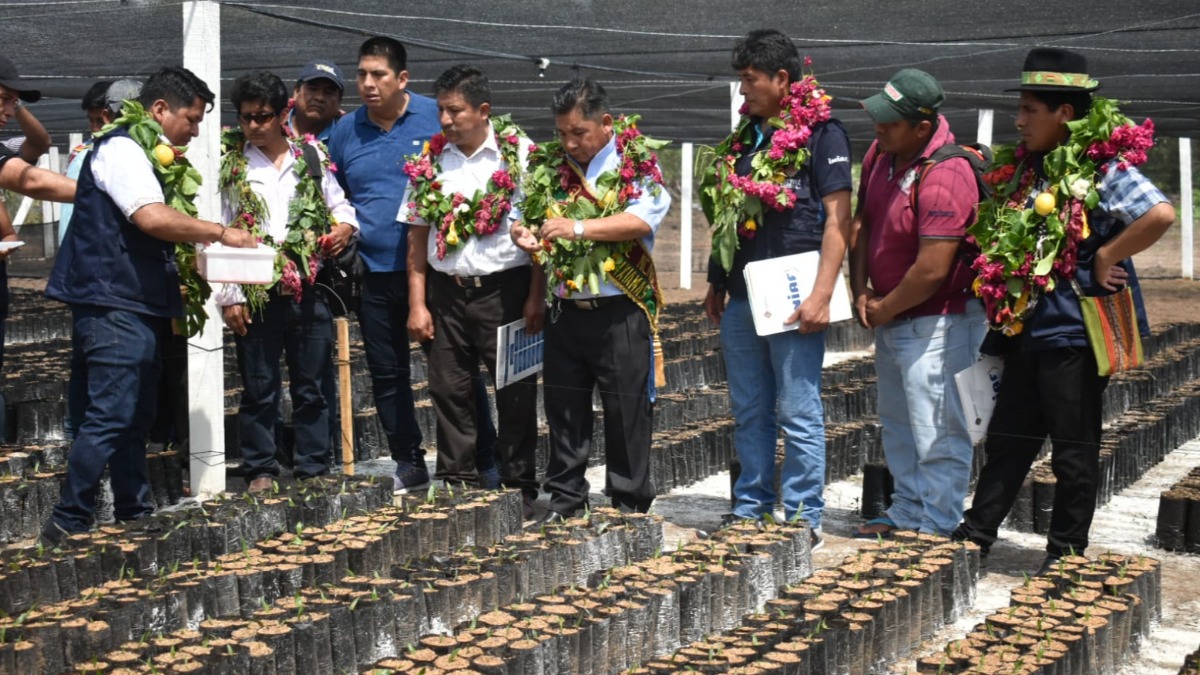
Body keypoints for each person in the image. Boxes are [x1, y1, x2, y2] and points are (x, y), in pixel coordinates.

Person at [953, 48, 1175, 574]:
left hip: (1075, 332)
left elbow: (1160, 212)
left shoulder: (1100, 167)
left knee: (1073, 445)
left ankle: (1067, 550)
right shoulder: (1028, 171)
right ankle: (977, 532)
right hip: (1027, 326)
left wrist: (1106, 254)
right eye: (1021, 109)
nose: (1020, 120)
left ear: (1065, 114)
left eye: (1031, 109)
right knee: (1009, 436)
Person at [40, 66, 257, 545]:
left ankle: (133, 508)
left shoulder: (143, 153)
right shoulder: (121, 149)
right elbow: (150, 216)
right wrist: (220, 232)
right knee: (110, 414)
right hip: (111, 299)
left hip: (133, 301)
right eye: (192, 118)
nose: (196, 130)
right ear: (160, 110)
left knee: (135, 414)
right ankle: (67, 521)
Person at [702, 30, 852, 546]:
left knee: (798, 408)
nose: (743, 93)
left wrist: (823, 294)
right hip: (744, 294)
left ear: (782, 79)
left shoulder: (823, 135)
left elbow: (838, 222)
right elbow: (729, 214)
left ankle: (806, 516)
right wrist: (715, 280)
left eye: (750, 81)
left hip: (793, 294)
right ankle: (751, 507)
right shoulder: (745, 139)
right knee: (749, 407)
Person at [511, 78, 671, 522]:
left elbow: (640, 220)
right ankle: (565, 499)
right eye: (562, 132)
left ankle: (628, 501)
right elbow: (521, 218)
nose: (570, 142)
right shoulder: (548, 166)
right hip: (565, 310)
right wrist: (521, 234)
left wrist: (576, 227)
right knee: (564, 408)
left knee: (626, 409)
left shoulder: (636, 164)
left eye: (578, 133)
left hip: (619, 308)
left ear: (605, 123)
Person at [849, 69, 986, 538]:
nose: (878, 129)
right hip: (893, 314)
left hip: (939, 320)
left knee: (938, 426)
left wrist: (884, 308)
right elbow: (863, 224)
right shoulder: (880, 155)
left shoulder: (947, 171)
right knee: (900, 422)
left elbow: (932, 269)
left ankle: (938, 521)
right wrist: (860, 289)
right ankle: (907, 509)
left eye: (890, 122)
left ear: (922, 128)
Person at [403, 65, 541, 514]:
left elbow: (541, 232)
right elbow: (417, 235)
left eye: (454, 110)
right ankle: (457, 480)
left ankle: (518, 483)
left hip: (507, 290)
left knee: (515, 390)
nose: (444, 119)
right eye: (441, 109)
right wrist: (418, 303)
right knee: (449, 388)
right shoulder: (430, 160)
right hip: (446, 292)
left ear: (483, 110)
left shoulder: (521, 158)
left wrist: (536, 295)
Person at [218, 71, 358, 492]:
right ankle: (260, 467)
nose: (254, 126)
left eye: (262, 117)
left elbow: (343, 208)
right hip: (256, 292)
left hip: (308, 289)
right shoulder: (233, 165)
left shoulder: (309, 158)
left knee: (312, 383)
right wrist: (230, 295)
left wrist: (341, 230)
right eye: (245, 119)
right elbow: (220, 228)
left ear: (284, 113)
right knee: (259, 386)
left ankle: (313, 465)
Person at [326, 37, 440, 493]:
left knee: (451, 372)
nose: (368, 84)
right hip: (373, 273)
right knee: (387, 374)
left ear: (402, 79)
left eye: (379, 75)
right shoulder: (345, 132)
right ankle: (409, 462)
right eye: (361, 75)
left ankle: (471, 458)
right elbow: (332, 196)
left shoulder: (436, 117)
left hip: (435, 272)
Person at [61, 80, 143, 248]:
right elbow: (70, 212)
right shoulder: (84, 154)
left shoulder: (135, 151)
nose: (94, 128)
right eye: (91, 121)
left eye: (100, 121)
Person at [0, 55, 51, 163]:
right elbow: (31, 179)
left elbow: (39, 145)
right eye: (5, 98)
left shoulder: (4, 149)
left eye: (14, 103)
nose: (11, 113)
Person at [286, 60, 345, 144]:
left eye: (329, 92)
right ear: (296, 92)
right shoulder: (272, 125)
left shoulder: (347, 138)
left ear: (339, 101)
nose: (319, 97)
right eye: (312, 89)